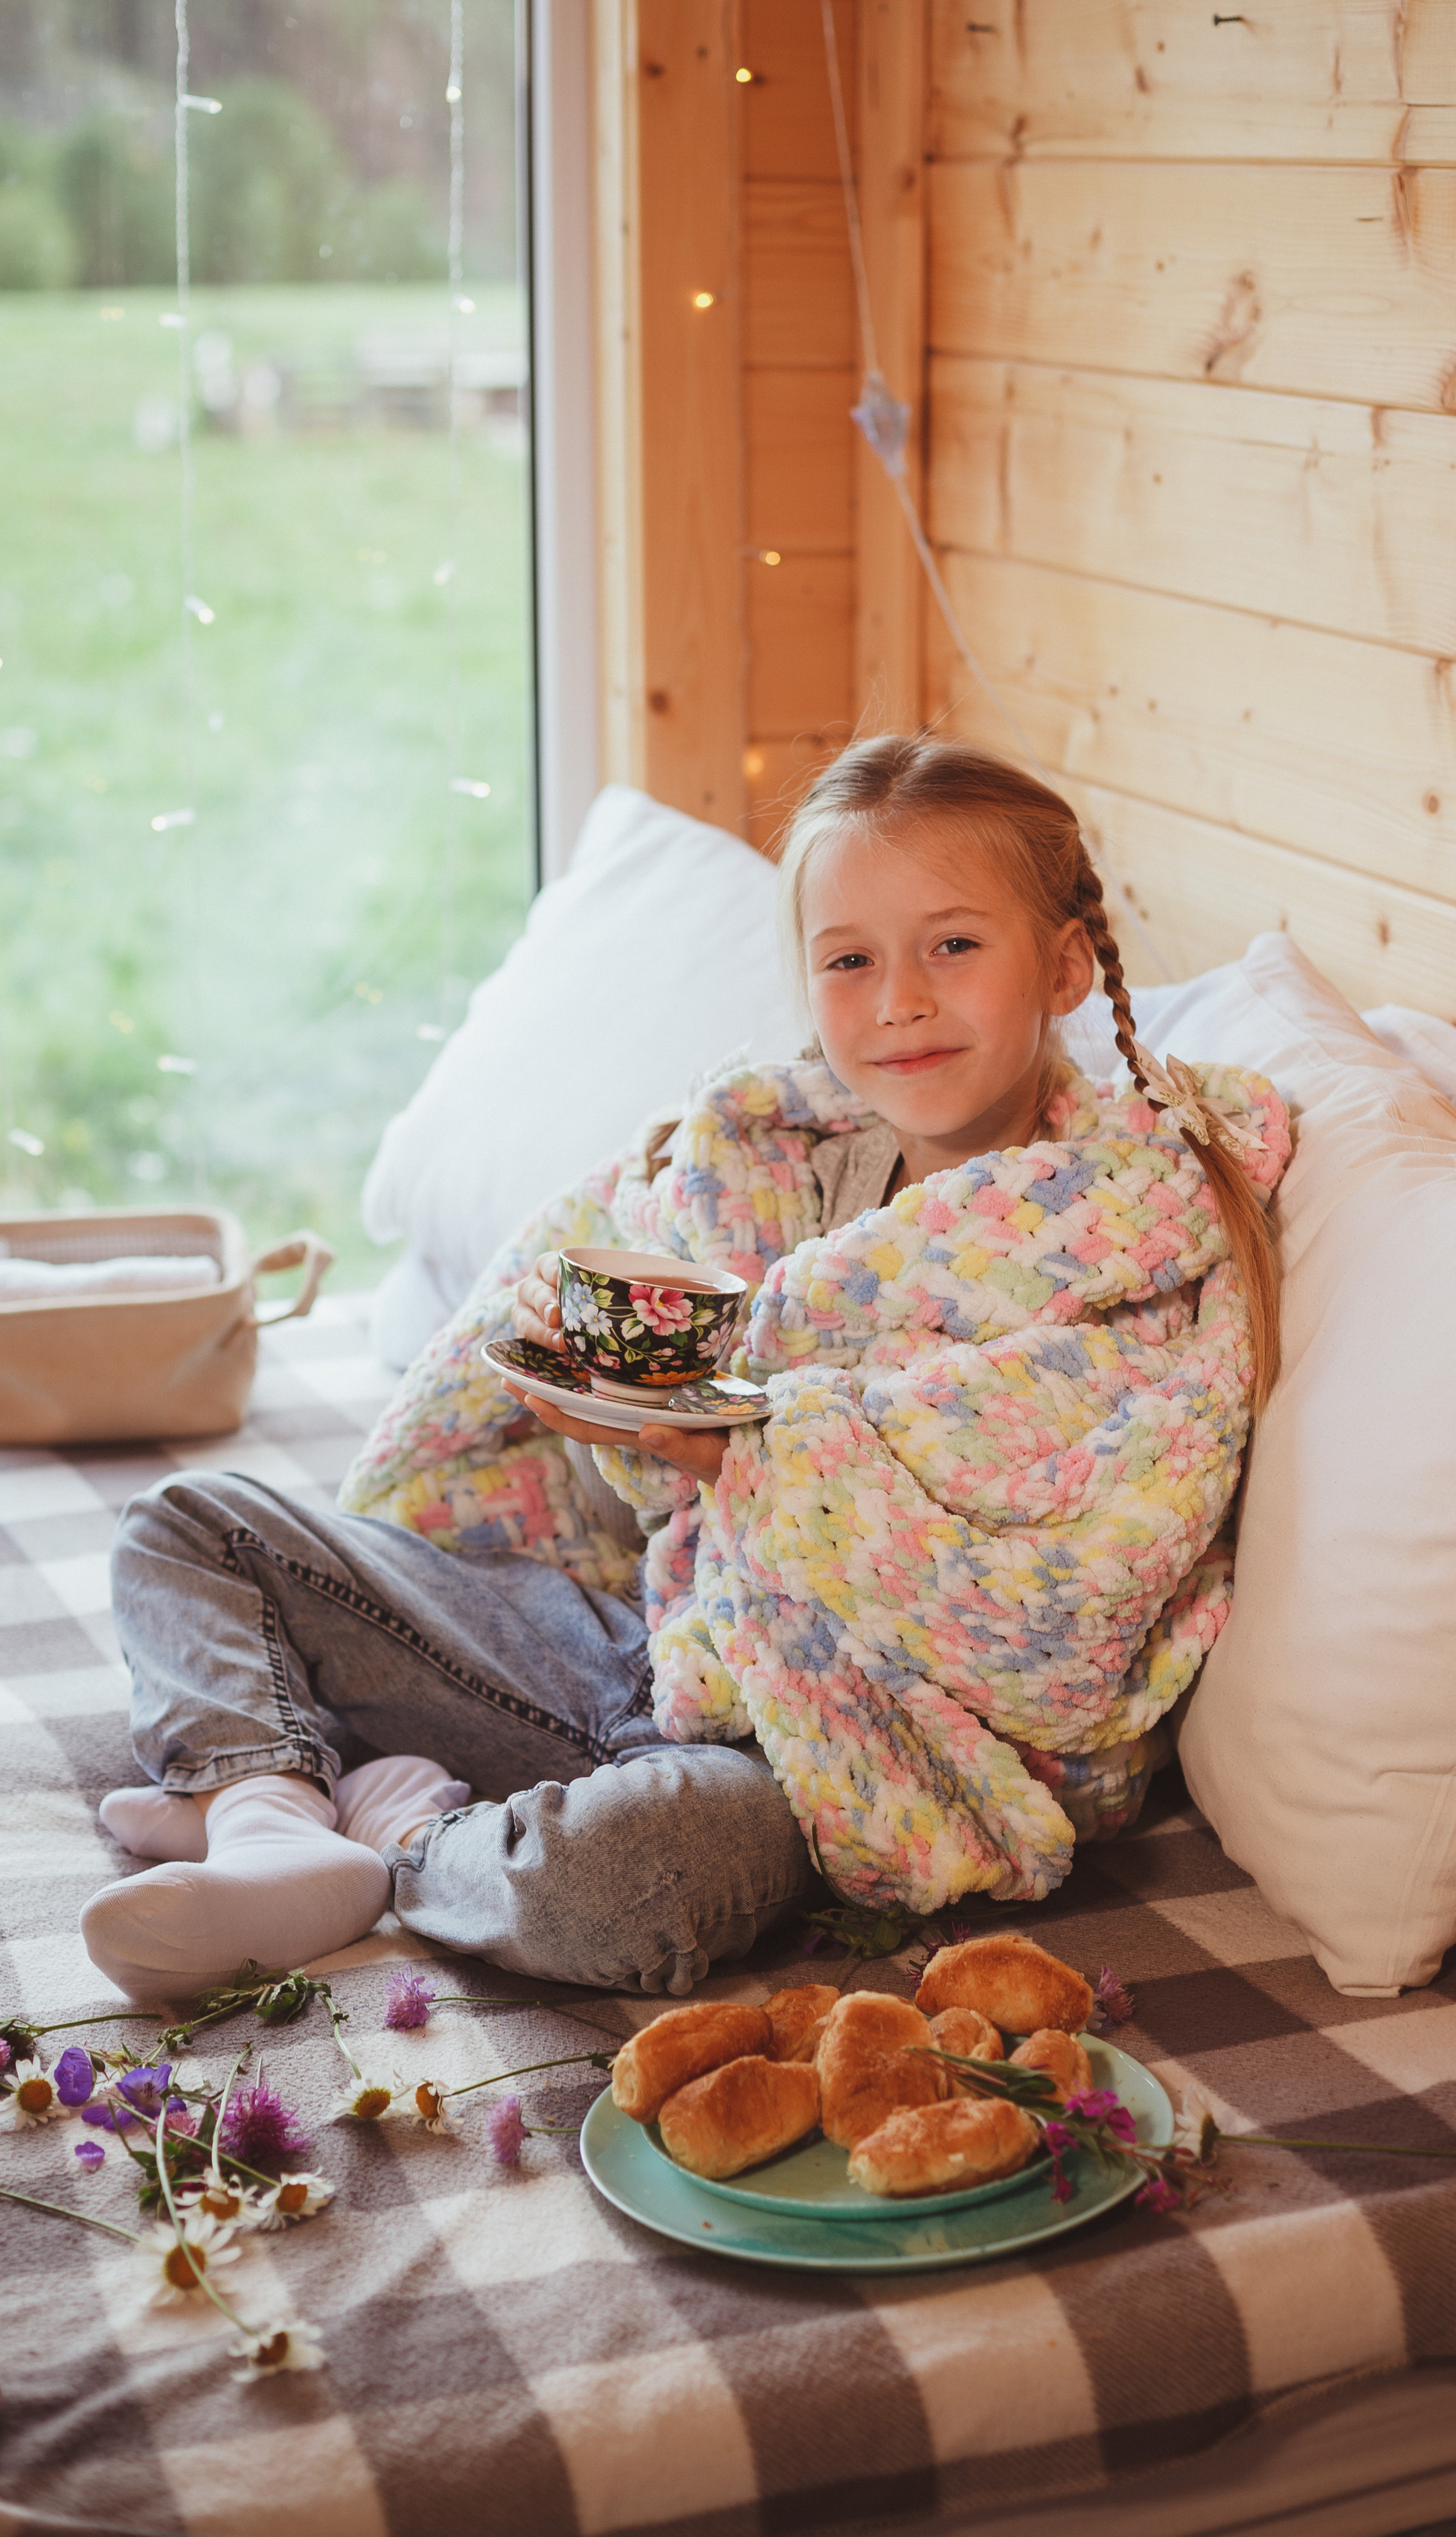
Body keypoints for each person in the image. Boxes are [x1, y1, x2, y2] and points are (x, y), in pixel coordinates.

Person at [80, 736, 1285, 2006]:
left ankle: (398, 1837)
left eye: (954, 946)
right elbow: (643, 1390)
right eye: (851, 960)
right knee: (186, 1527)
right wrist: (600, 1398)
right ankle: (265, 1812)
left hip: (833, 1750)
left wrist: (745, 1454)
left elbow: (1067, 1605)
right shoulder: (760, 1158)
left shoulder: (1129, 1222)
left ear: (1065, 965)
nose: (899, 1001)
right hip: (650, 1639)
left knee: (624, 1878)